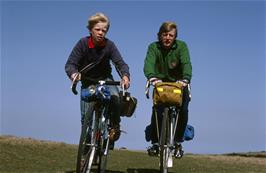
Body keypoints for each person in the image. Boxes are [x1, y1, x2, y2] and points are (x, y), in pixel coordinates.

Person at [65, 13, 130, 146]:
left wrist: (125, 76)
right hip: (87, 81)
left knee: (116, 98)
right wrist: (73, 74)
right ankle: (86, 149)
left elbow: (120, 63)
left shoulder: (109, 45)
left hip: (106, 79)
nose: (101, 33)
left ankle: (114, 126)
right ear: (90, 30)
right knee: (85, 119)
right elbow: (70, 64)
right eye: (97, 29)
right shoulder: (82, 43)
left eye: (104, 30)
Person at [143, 21, 192, 158]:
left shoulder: (181, 46)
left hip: (179, 84)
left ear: (175, 37)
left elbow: (186, 63)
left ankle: (177, 142)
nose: (168, 38)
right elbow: (149, 64)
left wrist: (185, 79)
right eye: (165, 35)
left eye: (171, 35)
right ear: (159, 35)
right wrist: (152, 77)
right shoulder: (153, 47)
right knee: (157, 111)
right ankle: (155, 143)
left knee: (183, 109)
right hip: (160, 85)